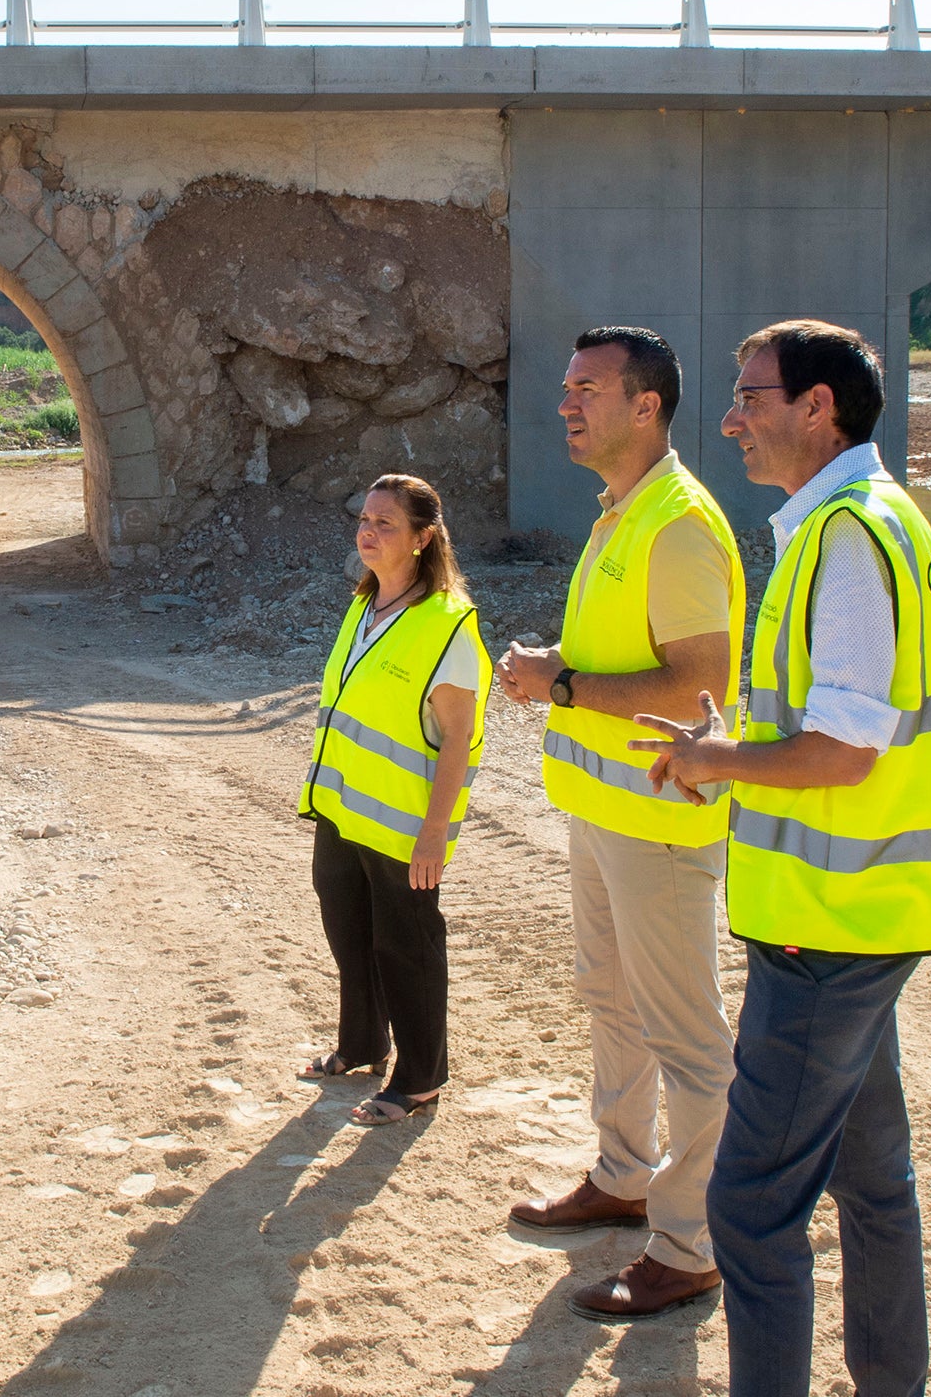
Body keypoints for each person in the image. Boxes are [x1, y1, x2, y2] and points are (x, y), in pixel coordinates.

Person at [630, 319, 931, 1396]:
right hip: (867, 910)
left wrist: (715, 759)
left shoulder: (845, 535)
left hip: (827, 926)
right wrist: (726, 753)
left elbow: (843, 747)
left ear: (817, 406)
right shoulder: (872, 517)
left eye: (751, 397)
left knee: (749, 1204)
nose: (730, 419)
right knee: (873, 1178)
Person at [495, 327, 747, 1322]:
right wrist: (553, 670)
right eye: (567, 387)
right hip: (607, 812)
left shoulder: (677, 524)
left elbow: (697, 684)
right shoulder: (621, 512)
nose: (566, 402)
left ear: (646, 405)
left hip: (660, 820)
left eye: (587, 388)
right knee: (611, 999)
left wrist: (559, 681)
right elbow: (622, 656)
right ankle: (623, 1175)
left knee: (688, 1038)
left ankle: (691, 1243)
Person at [298, 473, 492, 1127]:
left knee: (405, 945)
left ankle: (420, 1077)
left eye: (386, 523)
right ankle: (361, 1043)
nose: (369, 532)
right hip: (343, 808)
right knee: (348, 928)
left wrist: (435, 832)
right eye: (365, 519)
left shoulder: (447, 624)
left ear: (422, 538)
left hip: (405, 822)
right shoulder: (365, 604)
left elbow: (459, 737)